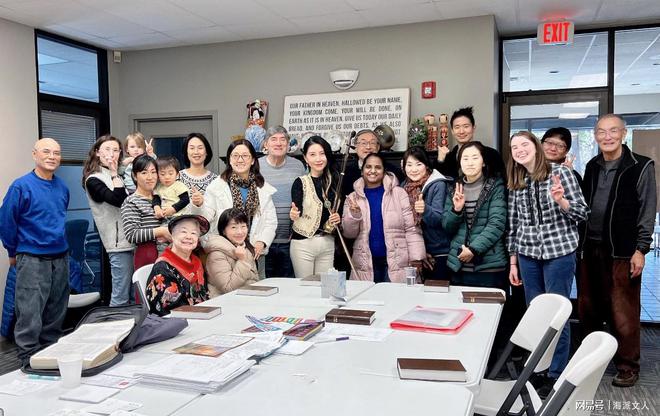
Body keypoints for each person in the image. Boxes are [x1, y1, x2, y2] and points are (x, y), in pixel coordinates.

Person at [506, 131, 589, 394]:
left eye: (524, 145)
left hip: (559, 253)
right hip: (528, 255)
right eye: (514, 147)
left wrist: (561, 200)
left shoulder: (560, 173)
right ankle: (537, 368)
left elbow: (582, 212)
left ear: (536, 147)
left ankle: (555, 373)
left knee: (557, 315)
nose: (519, 150)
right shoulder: (517, 180)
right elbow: (514, 224)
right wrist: (513, 262)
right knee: (536, 314)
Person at [578, 114, 656, 388]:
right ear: (596, 135)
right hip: (590, 248)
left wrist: (641, 249)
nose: (607, 136)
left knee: (623, 311)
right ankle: (592, 362)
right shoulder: (592, 165)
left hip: (623, 251)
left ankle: (627, 366)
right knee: (589, 309)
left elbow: (647, 210)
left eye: (613, 131)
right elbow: (583, 206)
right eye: (601, 132)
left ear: (624, 133)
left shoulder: (641, 166)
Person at [0, 138, 70, 364]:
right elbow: (6, 222)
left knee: (57, 308)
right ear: (34, 155)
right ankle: (27, 358)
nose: (52, 156)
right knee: (29, 311)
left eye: (57, 153)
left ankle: (50, 354)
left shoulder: (62, 187)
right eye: (47, 152)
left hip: (60, 256)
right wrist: (12, 251)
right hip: (31, 257)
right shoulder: (21, 186)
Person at [342, 153, 426, 282]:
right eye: (368, 167)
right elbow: (349, 234)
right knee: (368, 301)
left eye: (378, 167)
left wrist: (416, 258)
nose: (373, 171)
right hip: (365, 262)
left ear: (384, 171)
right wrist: (355, 215)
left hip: (397, 261)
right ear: (362, 171)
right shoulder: (353, 198)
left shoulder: (399, 193)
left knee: (396, 301)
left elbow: (411, 228)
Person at [202, 139, 277, 278]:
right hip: (225, 251)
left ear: (253, 160)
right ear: (229, 160)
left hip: (255, 251)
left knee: (257, 290)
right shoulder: (216, 186)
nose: (240, 160)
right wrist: (198, 205)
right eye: (235, 156)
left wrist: (262, 241)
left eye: (245, 156)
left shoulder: (262, 187)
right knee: (229, 289)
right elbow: (206, 217)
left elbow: (271, 221)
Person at [442, 142, 508, 290]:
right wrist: (456, 210)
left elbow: (496, 224)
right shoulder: (454, 188)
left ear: (483, 162)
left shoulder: (495, 186)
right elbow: (447, 227)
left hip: (489, 266)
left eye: (474, 158)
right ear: (460, 162)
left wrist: (473, 249)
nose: (470, 163)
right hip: (459, 266)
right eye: (465, 158)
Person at [82, 135, 134, 306]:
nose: (111, 154)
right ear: (97, 153)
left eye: (116, 150)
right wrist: (113, 172)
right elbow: (118, 199)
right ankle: (113, 329)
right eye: (107, 149)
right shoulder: (94, 179)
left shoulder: (120, 175)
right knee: (121, 296)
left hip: (134, 239)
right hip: (118, 244)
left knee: (136, 294)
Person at [289, 136, 341, 278]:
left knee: (325, 288)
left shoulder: (335, 181)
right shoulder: (300, 182)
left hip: (327, 242)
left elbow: (340, 211)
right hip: (303, 243)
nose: (318, 159)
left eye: (322, 153)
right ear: (305, 159)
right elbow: (296, 206)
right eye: (312, 154)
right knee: (305, 288)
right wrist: (294, 213)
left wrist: (338, 217)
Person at [259, 126, 305, 277]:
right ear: (265, 144)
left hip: (290, 240)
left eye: (282, 139)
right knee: (264, 285)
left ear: (287, 144)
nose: (278, 143)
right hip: (263, 242)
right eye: (273, 139)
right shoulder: (256, 166)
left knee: (290, 288)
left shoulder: (298, 166)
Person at [401, 146, 453, 280]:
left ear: (426, 165)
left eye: (419, 164)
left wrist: (425, 210)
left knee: (436, 296)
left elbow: (440, 219)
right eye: (409, 164)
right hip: (412, 252)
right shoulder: (402, 187)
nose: (413, 169)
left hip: (437, 251)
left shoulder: (437, 184)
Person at [145, 214, 210, 316]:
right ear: (172, 236)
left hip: (200, 317)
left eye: (194, 233)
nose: (189, 237)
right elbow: (172, 311)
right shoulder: (163, 268)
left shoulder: (197, 262)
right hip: (173, 324)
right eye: (183, 232)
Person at [121, 155, 171, 269]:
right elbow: (132, 235)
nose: (150, 177)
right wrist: (161, 231)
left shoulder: (163, 197)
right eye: (144, 173)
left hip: (170, 252)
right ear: (134, 176)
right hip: (147, 255)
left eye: (153, 172)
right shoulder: (131, 201)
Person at [435, 107, 505, 179]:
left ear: (473, 128)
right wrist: (440, 160)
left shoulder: (491, 154)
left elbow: (501, 183)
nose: (461, 131)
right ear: (452, 131)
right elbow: (439, 183)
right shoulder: (448, 157)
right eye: (457, 127)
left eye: (466, 126)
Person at [205, 208, 259, 296]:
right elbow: (228, 288)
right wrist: (242, 260)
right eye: (233, 227)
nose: (240, 231)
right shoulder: (216, 254)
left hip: (248, 298)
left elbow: (255, 280)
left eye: (243, 226)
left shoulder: (245, 247)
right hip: (226, 303)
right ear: (223, 231)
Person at [342, 129, 404, 197]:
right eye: (363, 143)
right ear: (355, 147)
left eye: (372, 143)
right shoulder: (345, 172)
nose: (368, 147)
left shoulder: (392, 171)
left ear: (378, 147)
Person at [179, 133, 218, 214]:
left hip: (208, 225)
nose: (196, 152)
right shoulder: (177, 177)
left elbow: (216, 211)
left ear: (206, 152)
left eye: (200, 148)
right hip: (180, 225)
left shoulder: (215, 180)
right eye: (192, 148)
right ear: (186, 152)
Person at [153, 156, 190, 221]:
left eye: (170, 173)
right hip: (164, 218)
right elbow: (156, 199)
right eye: (163, 174)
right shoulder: (158, 187)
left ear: (177, 174)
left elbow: (185, 200)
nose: (167, 177)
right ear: (158, 175)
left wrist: (174, 209)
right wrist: (157, 208)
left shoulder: (178, 185)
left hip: (179, 217)